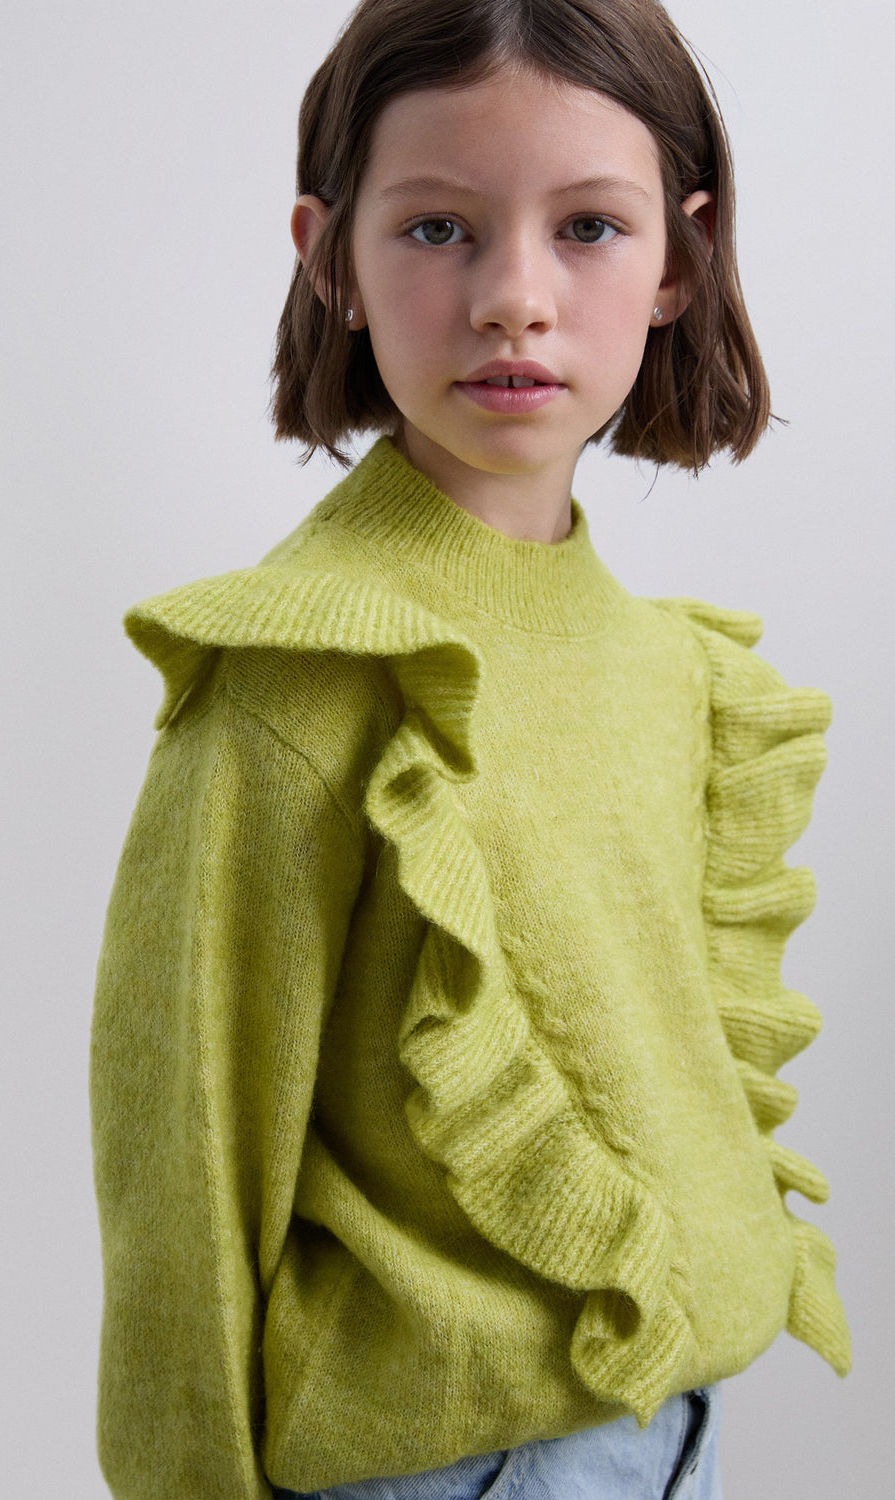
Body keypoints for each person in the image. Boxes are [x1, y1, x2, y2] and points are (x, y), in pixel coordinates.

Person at [89, 1, 852, 1496]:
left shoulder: (666, 668)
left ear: (682, 260)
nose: (515, 298)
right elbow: (185, 1150)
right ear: (330, 258)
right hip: (442, 1465)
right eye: (438, 229)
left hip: (677, 1424)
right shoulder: (308, 671)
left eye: (588, 228)